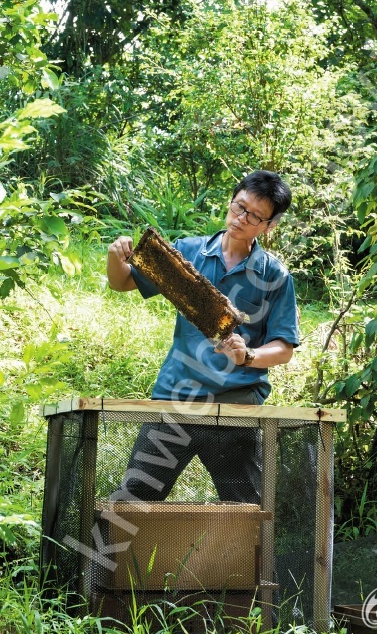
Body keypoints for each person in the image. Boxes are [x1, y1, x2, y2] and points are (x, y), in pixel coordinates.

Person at [107, 170, 299, 504]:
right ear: (231, 201)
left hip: (236, 407)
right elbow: (121, 282)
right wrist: (115, 256)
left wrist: (248, 355)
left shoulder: (275, 276)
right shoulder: (188, 252)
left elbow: (283, 348)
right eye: (239, 207)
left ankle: (235, 559)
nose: (242, 218)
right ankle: (107, 559)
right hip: (175, 399)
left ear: (269, 226)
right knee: (133, 501)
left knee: (248, 511)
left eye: (255, 216)